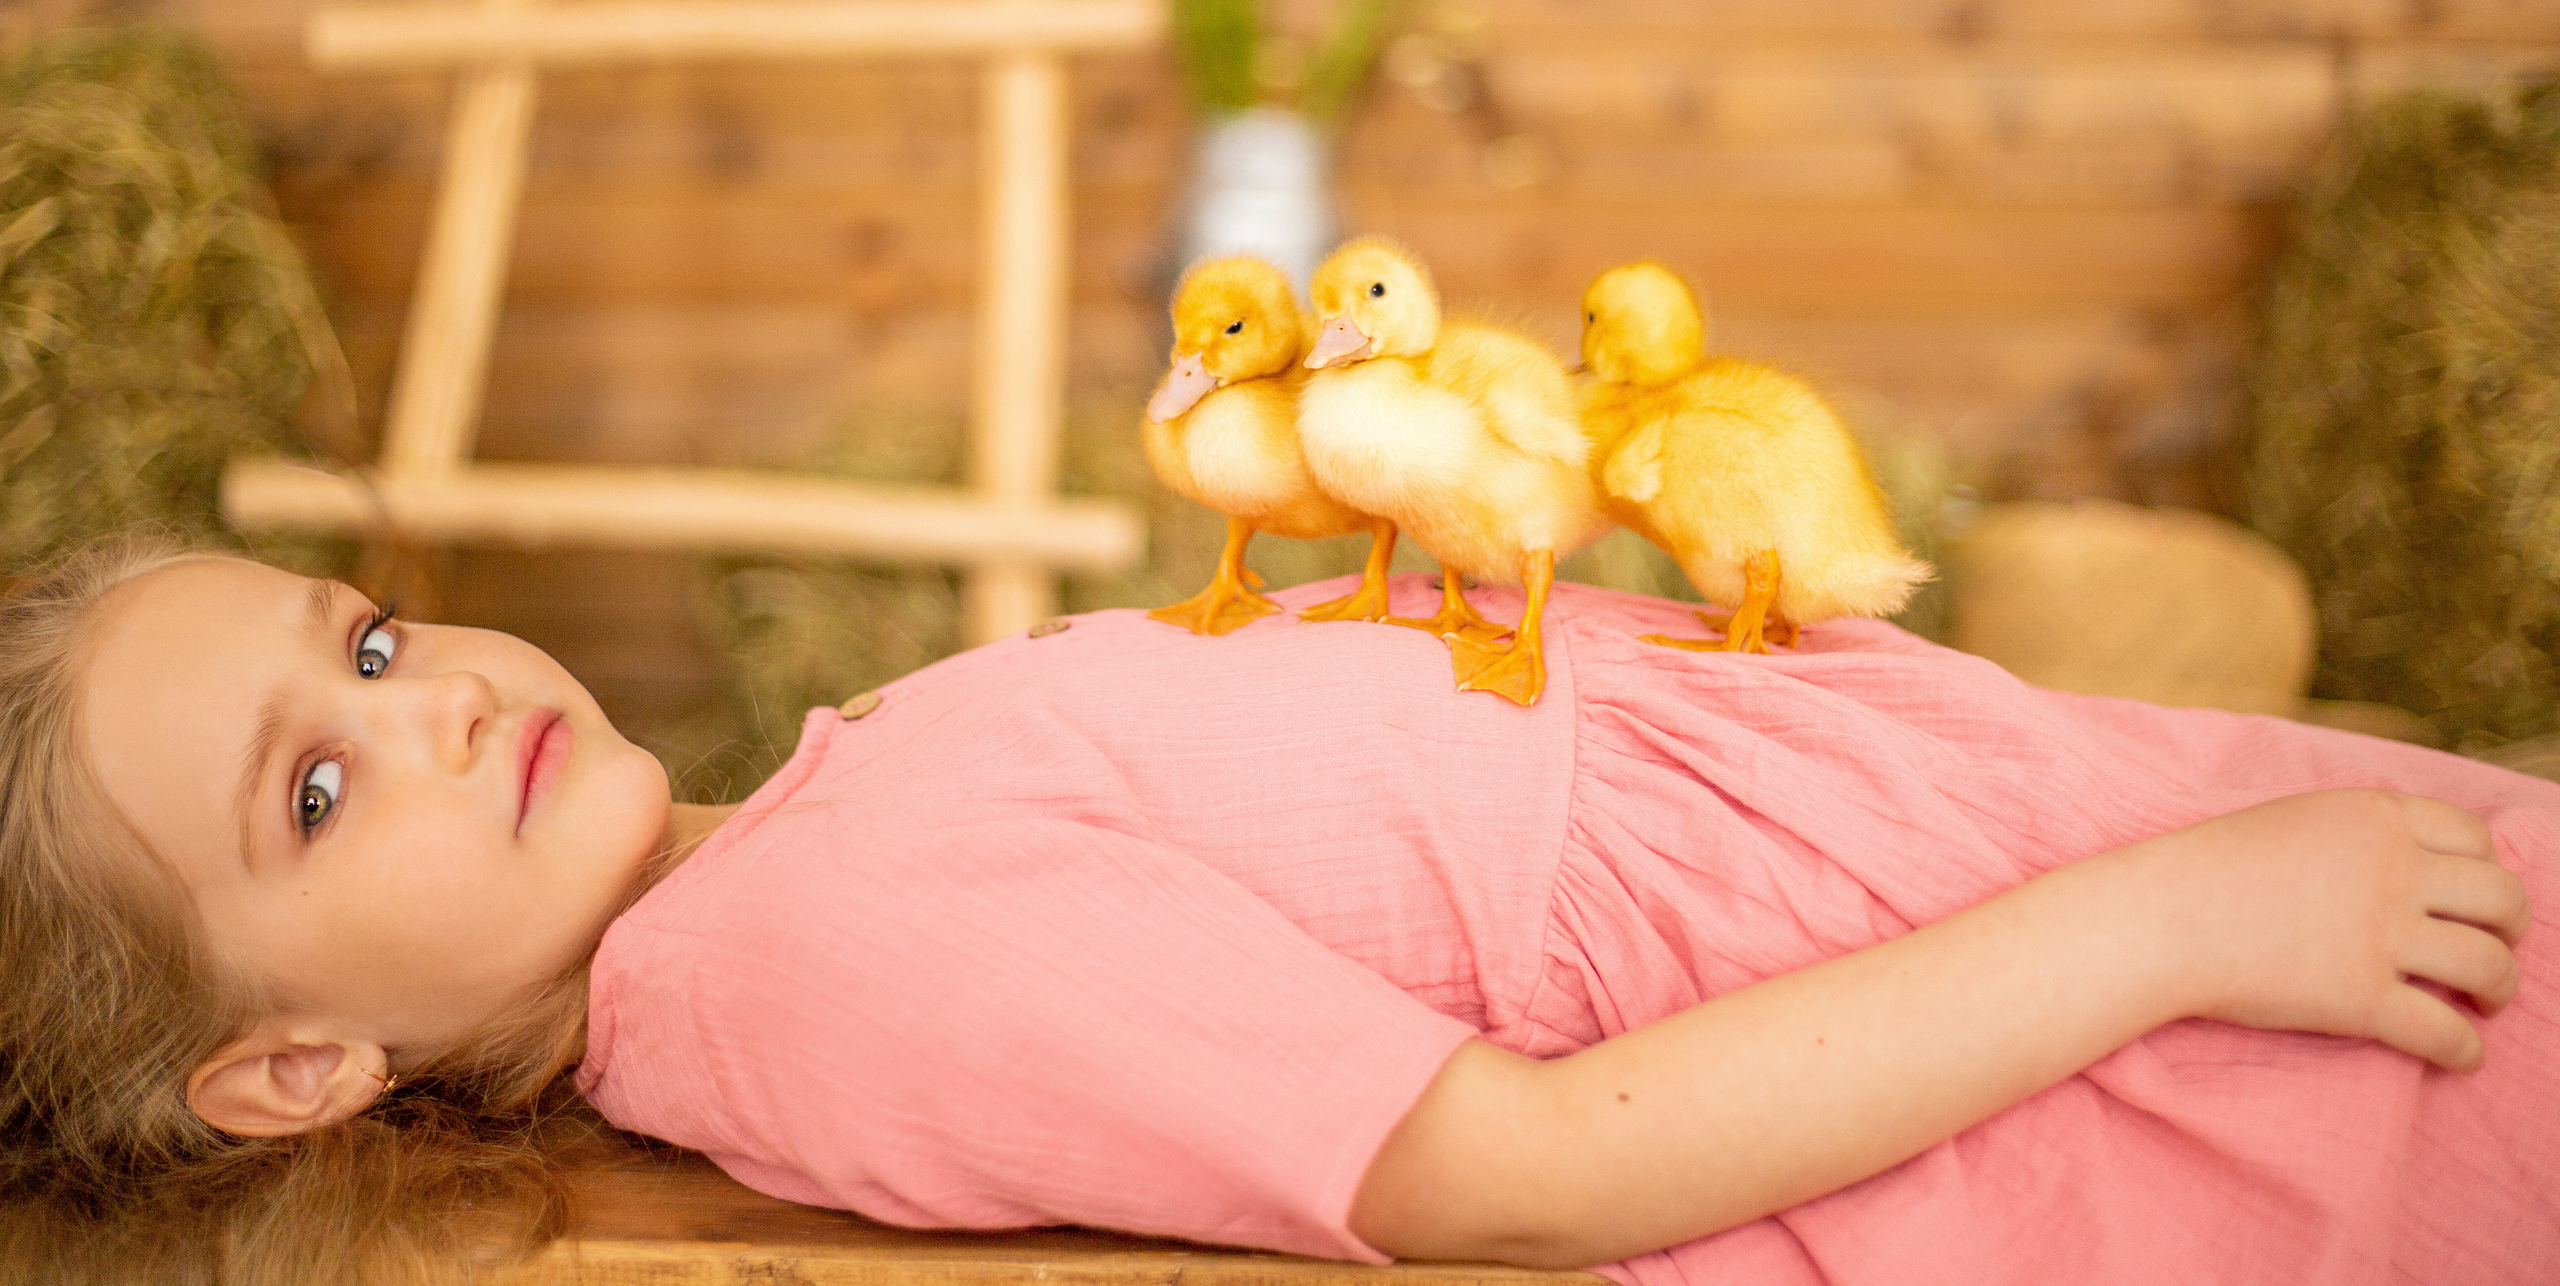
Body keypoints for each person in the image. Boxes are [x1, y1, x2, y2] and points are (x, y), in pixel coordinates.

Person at [1, 533, 2552, 1286]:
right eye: (317, 782)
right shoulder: (800, 959)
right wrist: (2183, 925)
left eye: (359, 632)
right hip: (2061, 1028)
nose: (430, 692)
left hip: (1925, 835)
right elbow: (1514, 1165)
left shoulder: (746, 877)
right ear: (288, 1063)